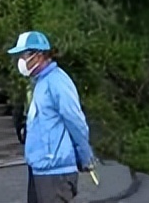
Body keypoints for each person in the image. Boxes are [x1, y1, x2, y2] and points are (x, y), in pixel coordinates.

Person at [8, 31, 95, 203]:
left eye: (24, 55)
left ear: (38, 55)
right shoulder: (39, 83)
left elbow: (76, 122)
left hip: (56, 172)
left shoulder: (58, 82)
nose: (21, 61)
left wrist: (85, 156)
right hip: (39, 168)